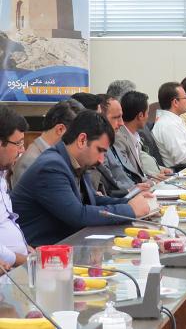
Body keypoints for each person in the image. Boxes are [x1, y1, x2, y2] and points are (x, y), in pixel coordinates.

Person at [12, 111, 153, 246]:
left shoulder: (74, 161)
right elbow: (78, 215)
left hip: (67, 244)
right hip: (40, 252)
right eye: (99, 150)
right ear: (82, 140)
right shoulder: (51, 166)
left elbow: (92, 200)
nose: (101, 160)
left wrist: (130, 202)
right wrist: (129, 210)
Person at [11, 99, 84, 188]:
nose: (79, 142)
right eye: (77, 135)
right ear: (60, 129)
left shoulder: (55, 157)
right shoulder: (31, 162)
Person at [0, 105, 30, 267]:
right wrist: (28, 261)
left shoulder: (3, 175)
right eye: (18, 144)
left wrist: (26, 249)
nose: (22, 150)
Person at [115, 90, 169, 178]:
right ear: (140, 116)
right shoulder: (119, 140)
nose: (148, 117)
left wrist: (159, 170)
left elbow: (140, 166)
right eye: (147, 113)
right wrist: (153, 180)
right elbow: (129, 175)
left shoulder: (134, 135)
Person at [152, 82, 186, 170]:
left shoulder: (174, 120)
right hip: (183, 171)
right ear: (175, 102)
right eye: (185, 97)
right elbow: (182, 158)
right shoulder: (168, 125)